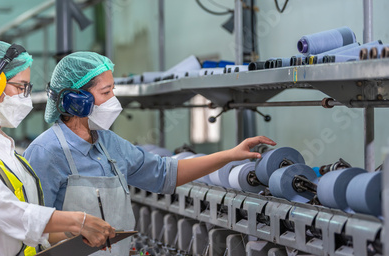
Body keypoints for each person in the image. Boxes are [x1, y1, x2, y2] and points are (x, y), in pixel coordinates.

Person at [23, 52, 276, 255]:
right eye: (106, 92)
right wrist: (76, 233)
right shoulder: (46, 152)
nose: (114, 100)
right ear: (76, 101)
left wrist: (230, 155)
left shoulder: (110, 145)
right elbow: (30, 225)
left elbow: (166, 173)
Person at [0, 42, 114, 256]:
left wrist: (71, 234)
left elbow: (29, 227)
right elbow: (6, 212)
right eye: (21, 88)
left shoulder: (7, 151)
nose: (25, 98)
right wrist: (78, 221)